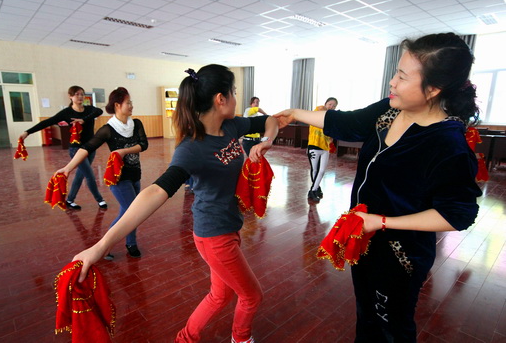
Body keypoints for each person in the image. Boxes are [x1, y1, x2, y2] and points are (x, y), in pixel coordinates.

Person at [275, 32, 482, 342]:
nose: (393, 83)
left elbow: (458, 214)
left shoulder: (446, 143)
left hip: (399, 254)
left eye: (402, 76)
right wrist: (293, 113)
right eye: (395, 73)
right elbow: (346, 122)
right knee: (367, 317)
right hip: (364, 238)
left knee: (391, 327)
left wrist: (383, 222)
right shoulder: (390, 111)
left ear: (434, 89)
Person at [71, 65, 279, 343]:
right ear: (221, 98)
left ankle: (185, 339)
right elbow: (156, 191)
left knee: (220, 294)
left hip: (229, 227)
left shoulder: (231, 126)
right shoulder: (192, 148)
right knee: (252, 296)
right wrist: (101, 245)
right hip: (214, 235)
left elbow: (272, 121)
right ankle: (241, 339)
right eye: (234, 92)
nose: (236, 97)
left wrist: (265, 141)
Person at [57, 87, 148, 259]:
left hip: (135, 175)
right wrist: (68, 168)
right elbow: (86, 148)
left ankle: (131, 243)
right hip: (118, 178)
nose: (131, 106)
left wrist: (123, 152)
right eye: (128, 103)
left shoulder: (136, 124)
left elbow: (144, 144)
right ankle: (103, 246)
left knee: (129, 212)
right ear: (117, 105)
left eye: (131, 102)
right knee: (131, 212)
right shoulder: (108, 129)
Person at [20, 85, 107, 210]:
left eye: (82, 94)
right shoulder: (66, 113)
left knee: (80, 174)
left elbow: (99, 111)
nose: (80, 96)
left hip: (90, 147)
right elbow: (47, 122)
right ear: (70, 96)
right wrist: (27, 132)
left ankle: (70, 200)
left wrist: (83, 119)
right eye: (77, 94)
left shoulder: (89, 110)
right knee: (89, 175)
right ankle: (100, 200)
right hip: (76, 148)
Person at [306, 97, 338, 202]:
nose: (331, 107)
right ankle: (314, 190)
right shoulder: (318, 110)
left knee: (322, 170)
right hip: (314, 145)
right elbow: (321, 111)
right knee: (315, 169)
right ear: (325, 104)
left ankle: (315, 188)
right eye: (330, 104)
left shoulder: (331, 119)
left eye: (334, 106)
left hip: (325, 147)